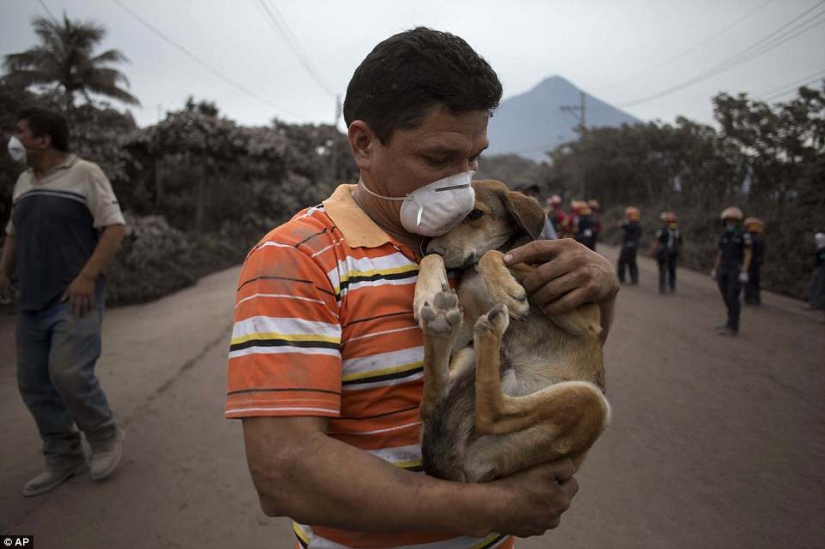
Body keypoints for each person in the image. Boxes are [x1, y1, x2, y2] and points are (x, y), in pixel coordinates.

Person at [225, 28, 620, 549]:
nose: (461, 185)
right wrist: (497, 506)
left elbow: (559, 358)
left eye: (473, 158)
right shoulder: (298, 261)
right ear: (364, 144)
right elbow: (285, 472)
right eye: (438, 160)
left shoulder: (481, 237)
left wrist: (600, 290)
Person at [0, 107, 127, 497]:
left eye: (21, 131)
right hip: (31, 298)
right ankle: (63, 455)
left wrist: (87, 276)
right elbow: (15, 234)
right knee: (33, 382)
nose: (14, 138)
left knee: (68, 373)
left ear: (43, 138)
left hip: (74, 295)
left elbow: (114, 227)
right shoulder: (23, 180)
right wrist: (3, 272)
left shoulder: (84, 172)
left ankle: (105, 436)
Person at [711, 206, 752, 336]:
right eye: (728, 221)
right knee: (725, 295)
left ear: (738, 222)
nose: (730, 223)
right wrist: (714, 269)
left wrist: (744, 271)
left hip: (736, 268)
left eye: (733, 221)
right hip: (724, 267)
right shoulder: (724, 235)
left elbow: (748, 253)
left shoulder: (743, 235)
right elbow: (720, 253)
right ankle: (729, 322)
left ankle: (733, 326)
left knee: (733, 296)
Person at [652, 211, 682, 294]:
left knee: (672, 270)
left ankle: (671, 286)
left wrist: (680, 253)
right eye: (670, 222)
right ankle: (663, 287)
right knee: (663, 270)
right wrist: (654, 251)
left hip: (673, 253)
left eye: (673, 222)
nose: (672, 224)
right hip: (663, 253)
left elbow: (680, 243)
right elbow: (657, 241)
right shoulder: (662, 231)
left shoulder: (677, 232)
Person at [743, 217, 765, 306]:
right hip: (758, 261)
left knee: (748, 280)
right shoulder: (761, 238)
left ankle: (748, 298)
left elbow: (747, 251)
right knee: (756, 280)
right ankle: (756, 298)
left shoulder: (748, 237)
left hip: (750, 261)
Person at [617, 206, 642, 285]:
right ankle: (634, 278)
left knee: (622, 261)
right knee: (632, 262)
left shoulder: (628, 223)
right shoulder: (638, 225)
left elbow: (620, 225)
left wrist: (625, 221)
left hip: (627, 245)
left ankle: (621, 278)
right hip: (635, 246)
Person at [808, 232, 825, 317]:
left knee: (816, 286)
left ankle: (816, 304)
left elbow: (822, 259)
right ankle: (815, 303)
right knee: (815, 286)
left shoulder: (822, 249)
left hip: (821, 269)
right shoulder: (819, 248)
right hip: (818, 268)